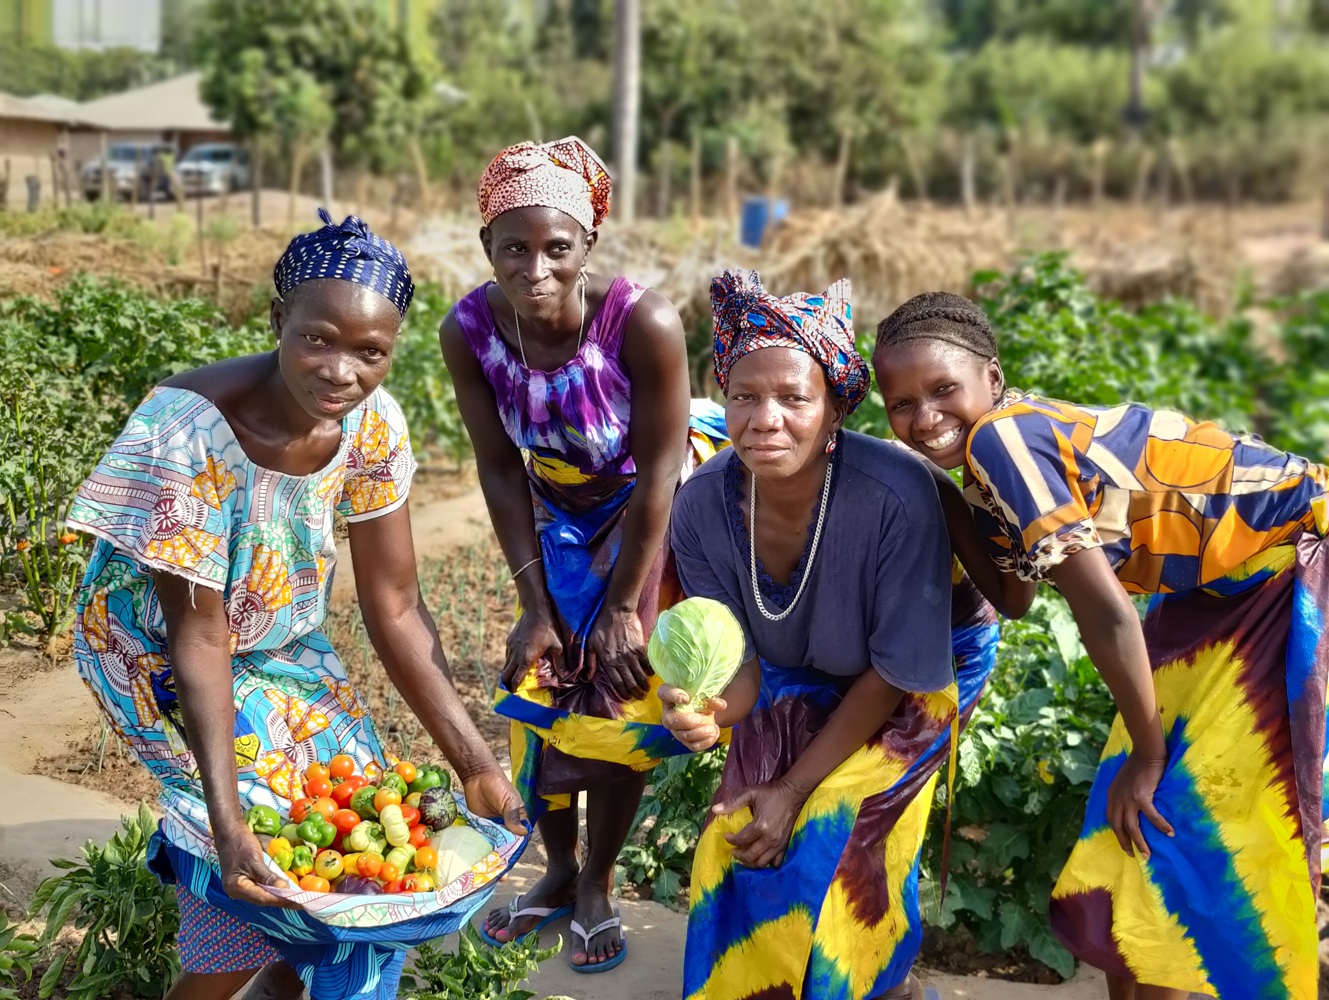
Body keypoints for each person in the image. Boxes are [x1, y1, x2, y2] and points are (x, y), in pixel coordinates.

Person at [66, 209, 527, 1000]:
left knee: (354, 823)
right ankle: (223, 966)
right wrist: (225, 816)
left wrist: (477, 763)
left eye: (369, 352)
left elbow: (396, 604)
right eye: (318, 338)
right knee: (251, 857)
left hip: (278, 635)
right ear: (280, 320)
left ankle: (295, 976)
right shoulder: (187, 431)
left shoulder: (371, 424)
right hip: (151, 647)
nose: (341, 371)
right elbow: (198, 636)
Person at [872, 290, 1329, 1000]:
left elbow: (1106, 613)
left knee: (1176, 830)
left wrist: (1148, 756)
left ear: (990, 379)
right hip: (1213, 594)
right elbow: (1015, 599)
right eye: (899, 404)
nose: (923, 418)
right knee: (1140, 840)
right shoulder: (989, 464)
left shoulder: (1004, 438)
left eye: (941, 390)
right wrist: (938, 488)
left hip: (1284, 570)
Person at [658, 271, 1000, 1000]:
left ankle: (879, 985)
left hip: (918, 673)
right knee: (739, 835)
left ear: (837, 407)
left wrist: (792, 785)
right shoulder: (699, 508)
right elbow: (746, 668)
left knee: (837, 835)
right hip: (795, 665)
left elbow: (892, 673)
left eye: (793, 398)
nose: (763, 420)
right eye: (744, 396)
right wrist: (708, 712)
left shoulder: (896, 497)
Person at [439, 136, 727, 972]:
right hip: (556, 509)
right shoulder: (469, 330)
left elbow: (663, 470)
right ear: (487, 248)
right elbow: (498, 466)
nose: (535, 268)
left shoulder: (640, 321)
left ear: (587, 246)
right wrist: (536, 604)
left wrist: (627, 609)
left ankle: (598, 881)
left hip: (650, 502)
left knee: (619, 692)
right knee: (540, 679)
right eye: (514, 248)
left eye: (555, 247)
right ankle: (557, 867)